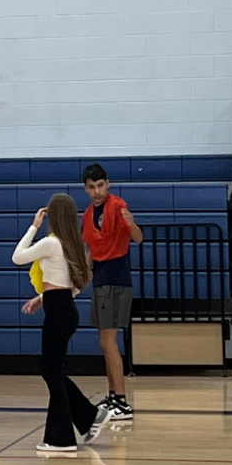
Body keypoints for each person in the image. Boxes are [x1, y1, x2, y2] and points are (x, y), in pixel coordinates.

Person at [15, 194, 111, 452]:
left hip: (58, 311)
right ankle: (90, 417)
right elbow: (75, 287)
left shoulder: (50, 243)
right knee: (52, 370)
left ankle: (61, 439)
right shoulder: (73, 245)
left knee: (50, 371)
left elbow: (18, 256)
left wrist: (34, 226)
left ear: (52, 216)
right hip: (65, 308)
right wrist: (42, 298)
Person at [77, 163, 142, 420]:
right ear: (86, 189)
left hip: (116, 277)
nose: (97, 191)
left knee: (108, 341)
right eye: (91, 187)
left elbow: (137, 237)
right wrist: (82, 275)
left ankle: (122, 401)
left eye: (100, 185)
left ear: (108, 183)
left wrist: (133, 224)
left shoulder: (117, 206)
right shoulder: (87, 215)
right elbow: (90, 251)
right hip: (100, 278)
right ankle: (113, 395)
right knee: (104, 342)